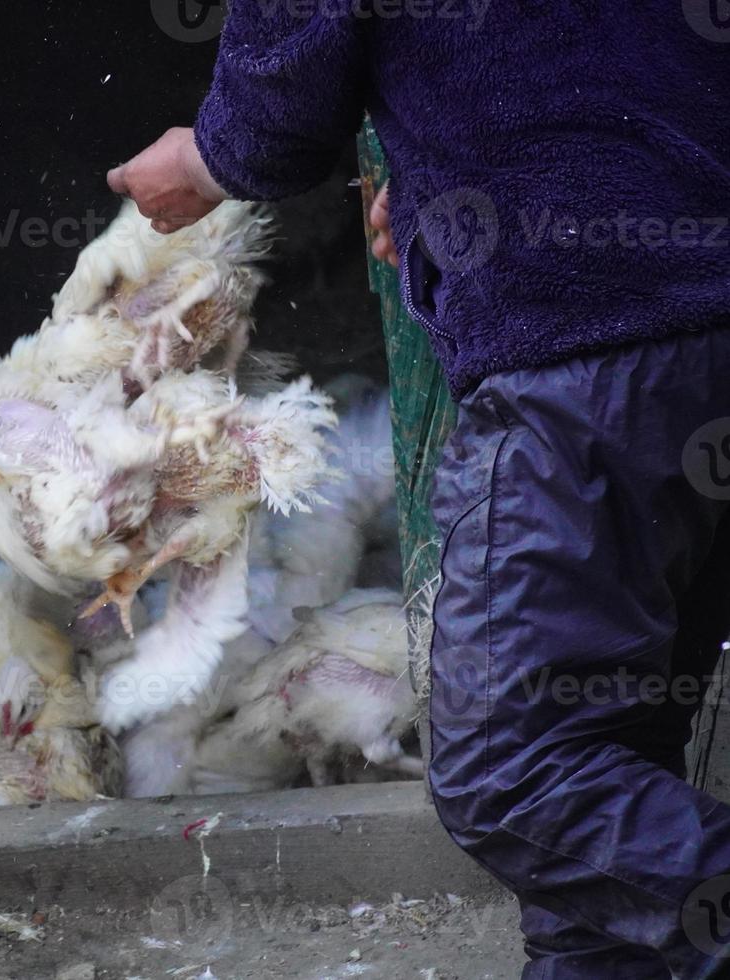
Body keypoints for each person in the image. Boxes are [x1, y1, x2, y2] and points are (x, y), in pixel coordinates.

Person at [108, 6, 730, 979]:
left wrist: (213, 158)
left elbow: (288, 71)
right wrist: (460, 167)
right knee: (605, 751)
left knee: (511, 774)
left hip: (578, 346)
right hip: (691, 325)